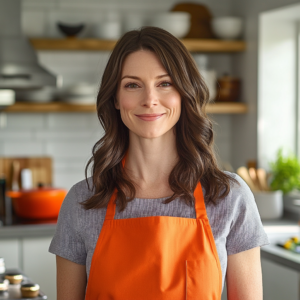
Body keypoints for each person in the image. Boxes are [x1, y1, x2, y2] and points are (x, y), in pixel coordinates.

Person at [49, 26, 270, 300]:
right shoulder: (83, 201)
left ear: (184, 93)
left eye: (165, 83)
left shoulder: (228, 197)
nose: (150, 100)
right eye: (133, 85)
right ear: (116, 99)